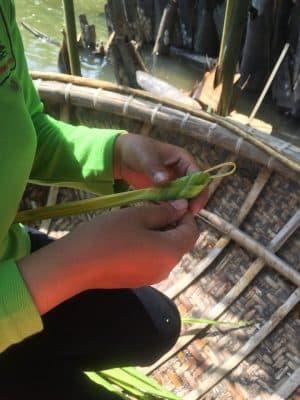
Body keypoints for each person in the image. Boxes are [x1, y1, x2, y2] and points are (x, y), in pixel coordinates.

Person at [0, 0, 207, 398]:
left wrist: (117, 153)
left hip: (11, 261)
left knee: (156, 324)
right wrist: (80, 264)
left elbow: (27, 126)